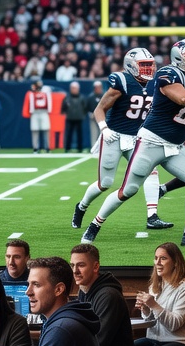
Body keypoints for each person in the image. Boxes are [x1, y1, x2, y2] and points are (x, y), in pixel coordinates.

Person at [82, 38, 185, 248]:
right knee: (128, 190)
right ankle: (95, 224)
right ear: (180, 59)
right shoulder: (168, 74)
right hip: (151, 143)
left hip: (175, 147)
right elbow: (182, 98)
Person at [71, 48, 172, 233]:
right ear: (131, 66)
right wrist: (104, 128)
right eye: (144, 65)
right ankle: (82, 206)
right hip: (114, 136)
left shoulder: (156, 83)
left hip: (138, 137)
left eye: (150, 65)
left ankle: (152, 216)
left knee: (151, 172)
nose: (149, 69)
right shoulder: (122, 81)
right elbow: (99, 109)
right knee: (105, 183)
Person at [70, 243, 138, 346]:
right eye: (72, 265)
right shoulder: (84, 290)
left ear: (95, 267)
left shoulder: (108, 296)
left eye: (81, 265)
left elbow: (99, 342)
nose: (75, 271)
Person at [62, 81, 91, 153]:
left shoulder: (82, 97)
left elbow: (85, 108)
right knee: (69, 134)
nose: (73, 89)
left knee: (79, 134)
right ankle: (67, 148)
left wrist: (82, 114)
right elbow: (63, 108)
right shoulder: (67, 97)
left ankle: (80, 148)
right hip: (70, 118)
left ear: (78, 89)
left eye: (75, 88)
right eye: (72, 88)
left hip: (79, 118)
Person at [24, 79, 52, 153]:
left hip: (44, 112)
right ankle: (35, 148)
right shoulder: (32, 93)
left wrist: (49, 110)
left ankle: (47, 147)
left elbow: (49, 101)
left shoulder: (46, 92)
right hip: (35, 112)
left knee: (46, 129)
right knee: (35, 130)